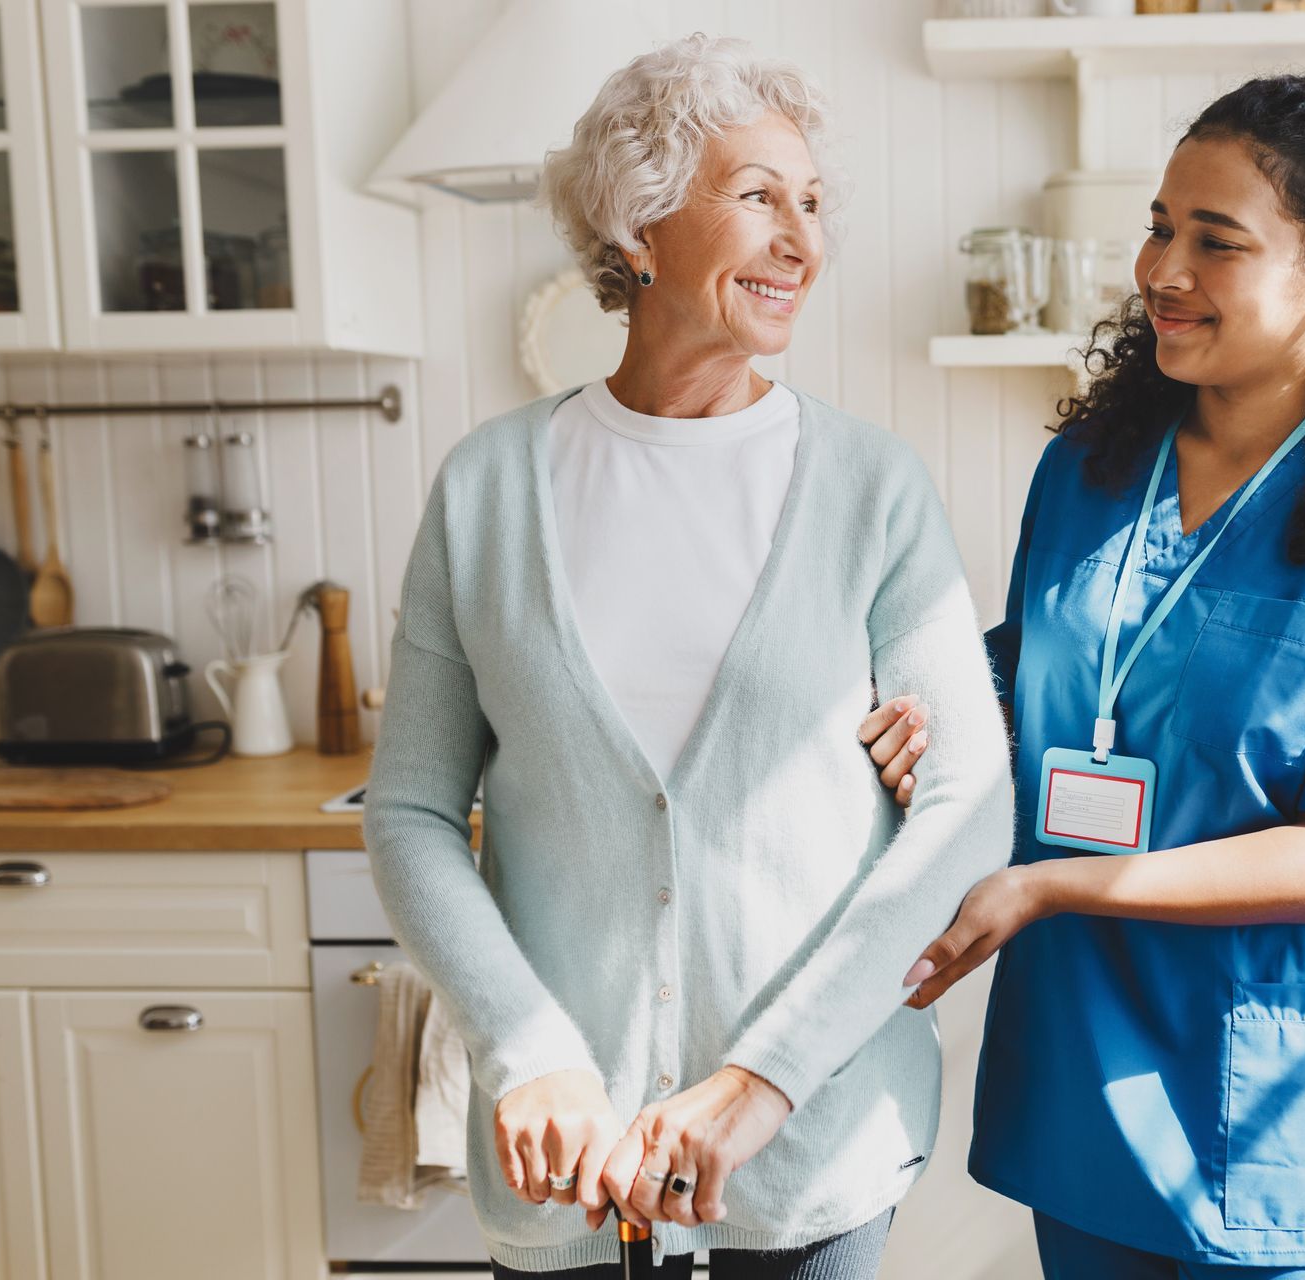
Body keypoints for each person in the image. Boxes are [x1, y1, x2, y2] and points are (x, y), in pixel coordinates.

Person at [363, 34, 1013, 1279]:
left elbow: (967, 806)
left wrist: (763, 1079)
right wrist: (528, 1048)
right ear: (640, 222)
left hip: (808, 1150)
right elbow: (408, 809)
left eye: (812, 204)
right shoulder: (490, 488)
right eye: (759, 195)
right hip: (568, 1150)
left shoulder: (871, 486)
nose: (803, 241)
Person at [861, 73, 1305, 1279]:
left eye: (1215, 242)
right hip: (1080, 1099)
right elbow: (1048, 669)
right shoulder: (1089, 468)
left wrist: (1057, 888)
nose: (1162, 268)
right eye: (1161, 226)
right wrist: (934, 705)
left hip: (1272, 1133)